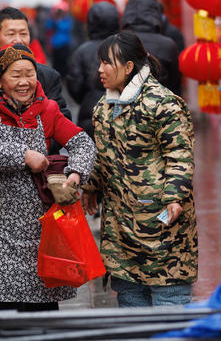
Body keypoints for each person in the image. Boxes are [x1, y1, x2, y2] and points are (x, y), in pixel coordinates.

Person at [0, 44, 96, 340]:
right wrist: (24, 155)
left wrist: (76, 172)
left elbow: (82, 142)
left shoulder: (47, 110)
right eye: (16, 75)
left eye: (30, 74)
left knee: (42, 304)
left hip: (39, 229)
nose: (24, 82)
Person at [81, 30, 198, 308]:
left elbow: (180, 154)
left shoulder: (163, 103)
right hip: (121, 227)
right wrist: (91, 186)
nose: (100, 69)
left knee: (170, 302)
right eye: (99, 63)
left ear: (129, 67)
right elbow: (104, 155)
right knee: (131, 303)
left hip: (161, 222)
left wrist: (173, 197)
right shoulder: (103, 108)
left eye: (106, 63)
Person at [0, 7, 70, 141]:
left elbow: (63, 124)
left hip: (43, 159)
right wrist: (15, 154)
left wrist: (39, 149)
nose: (18, 40)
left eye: (23, 34)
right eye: (10, 34)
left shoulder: (48, 76)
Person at [66, 1, 120, 138]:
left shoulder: (82, 51)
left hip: (90, 112)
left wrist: (87, 98)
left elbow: (74, 85)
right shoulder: (123, 48)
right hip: (120, 112)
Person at [122, 0, 182, 97]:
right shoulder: (168, 45)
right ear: (156, 12)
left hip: (126, 106)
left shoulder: (120, 41)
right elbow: (174, 81)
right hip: (160, 105)